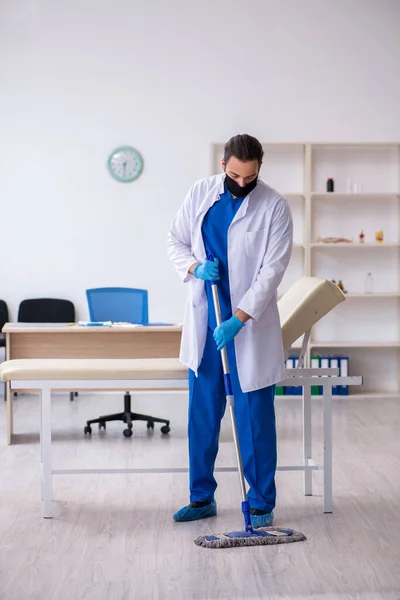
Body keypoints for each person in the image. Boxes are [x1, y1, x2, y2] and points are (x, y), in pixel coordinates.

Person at [167, 134, 293, 528]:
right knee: (203, 416)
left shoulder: (274, 206)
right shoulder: (200, 193)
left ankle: (260, 503)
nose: (242, 183)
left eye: (250, 176)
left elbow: (272, 271)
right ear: (224, 165)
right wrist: (194, 267)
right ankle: (201, 497)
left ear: (259, 168)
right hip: (207, 324)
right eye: (235, 175)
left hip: (246, 328)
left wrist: (239, 318)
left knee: (254, 419)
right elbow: (176, 242)